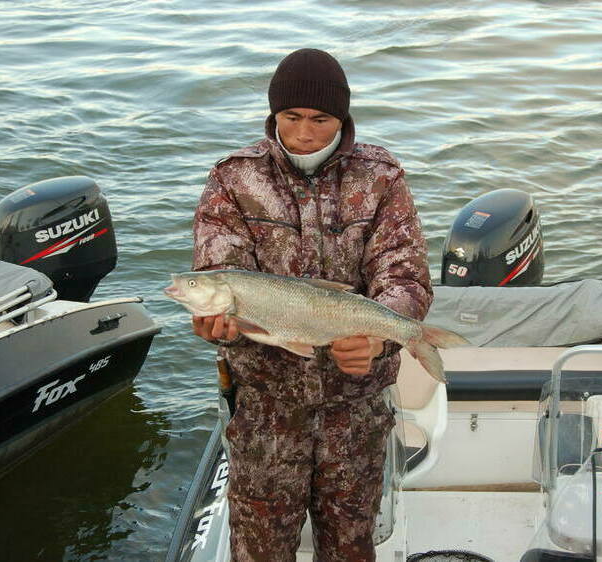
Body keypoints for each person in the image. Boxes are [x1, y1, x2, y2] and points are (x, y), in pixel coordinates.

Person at [191, 48, 433, 561]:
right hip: (265, 409)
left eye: (320, 120)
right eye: (291, 117)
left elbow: (404, 275)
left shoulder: (381, 177)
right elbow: (217, 270)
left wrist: (377, 336)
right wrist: (219, 326)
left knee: (351, 541)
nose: (304, 132)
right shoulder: (233, 179)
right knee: (259, 546)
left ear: (342, 118)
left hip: (356, 407)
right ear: (274, 116)